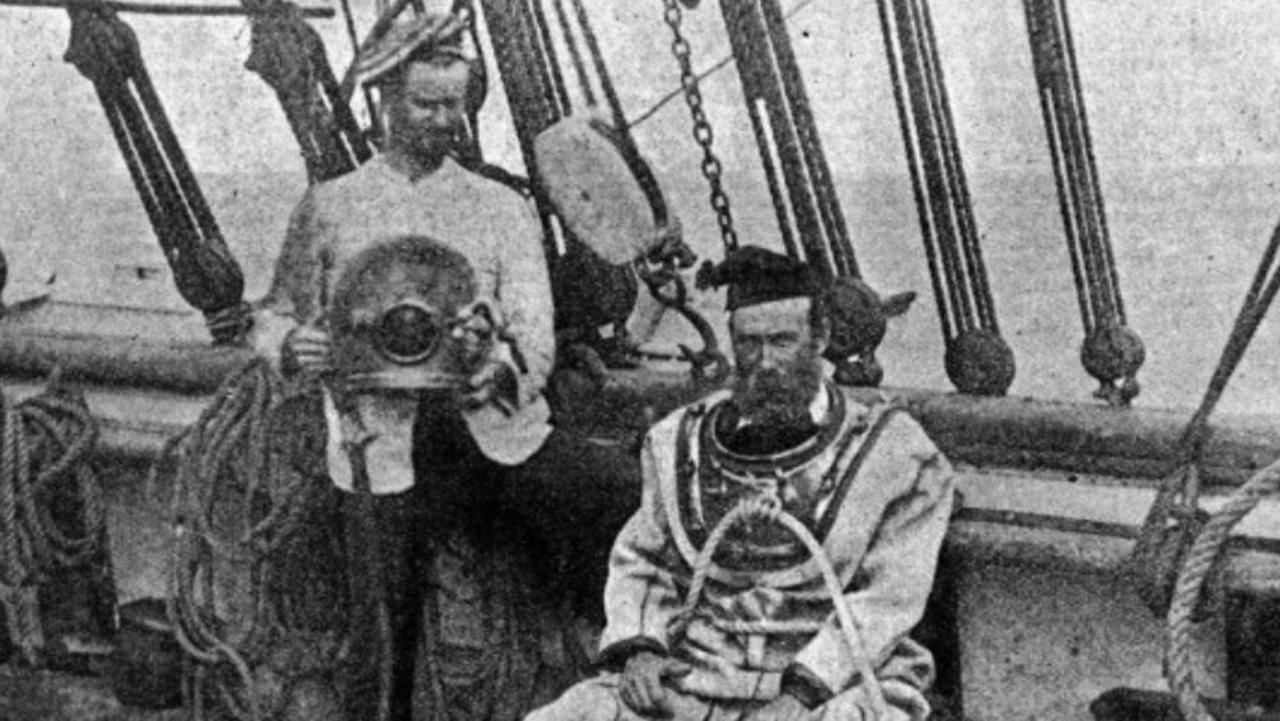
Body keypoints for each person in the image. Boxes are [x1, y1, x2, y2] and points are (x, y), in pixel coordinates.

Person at [250, 13, 637, 721]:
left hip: (492, 436)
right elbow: (272, 313)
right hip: (377, 445)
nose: (442, 120)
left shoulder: (500, 206)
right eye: (425, 104)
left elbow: (534, 334)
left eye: (454, 104)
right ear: (386, 101)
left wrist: (503, 369)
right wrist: (289, 346)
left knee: (618, 492)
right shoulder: (331, 207)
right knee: (380, 625)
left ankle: (605, 667)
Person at [525, 246, 957, 721]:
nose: (766, 361)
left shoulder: (893, 452)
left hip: (841, 681)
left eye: (783, 340)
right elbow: (644, 559)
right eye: (750, 343)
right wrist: (642, 651)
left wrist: (799, 697)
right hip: (701, 674)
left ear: (821, 337)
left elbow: (888, 600)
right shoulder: (677, 442)